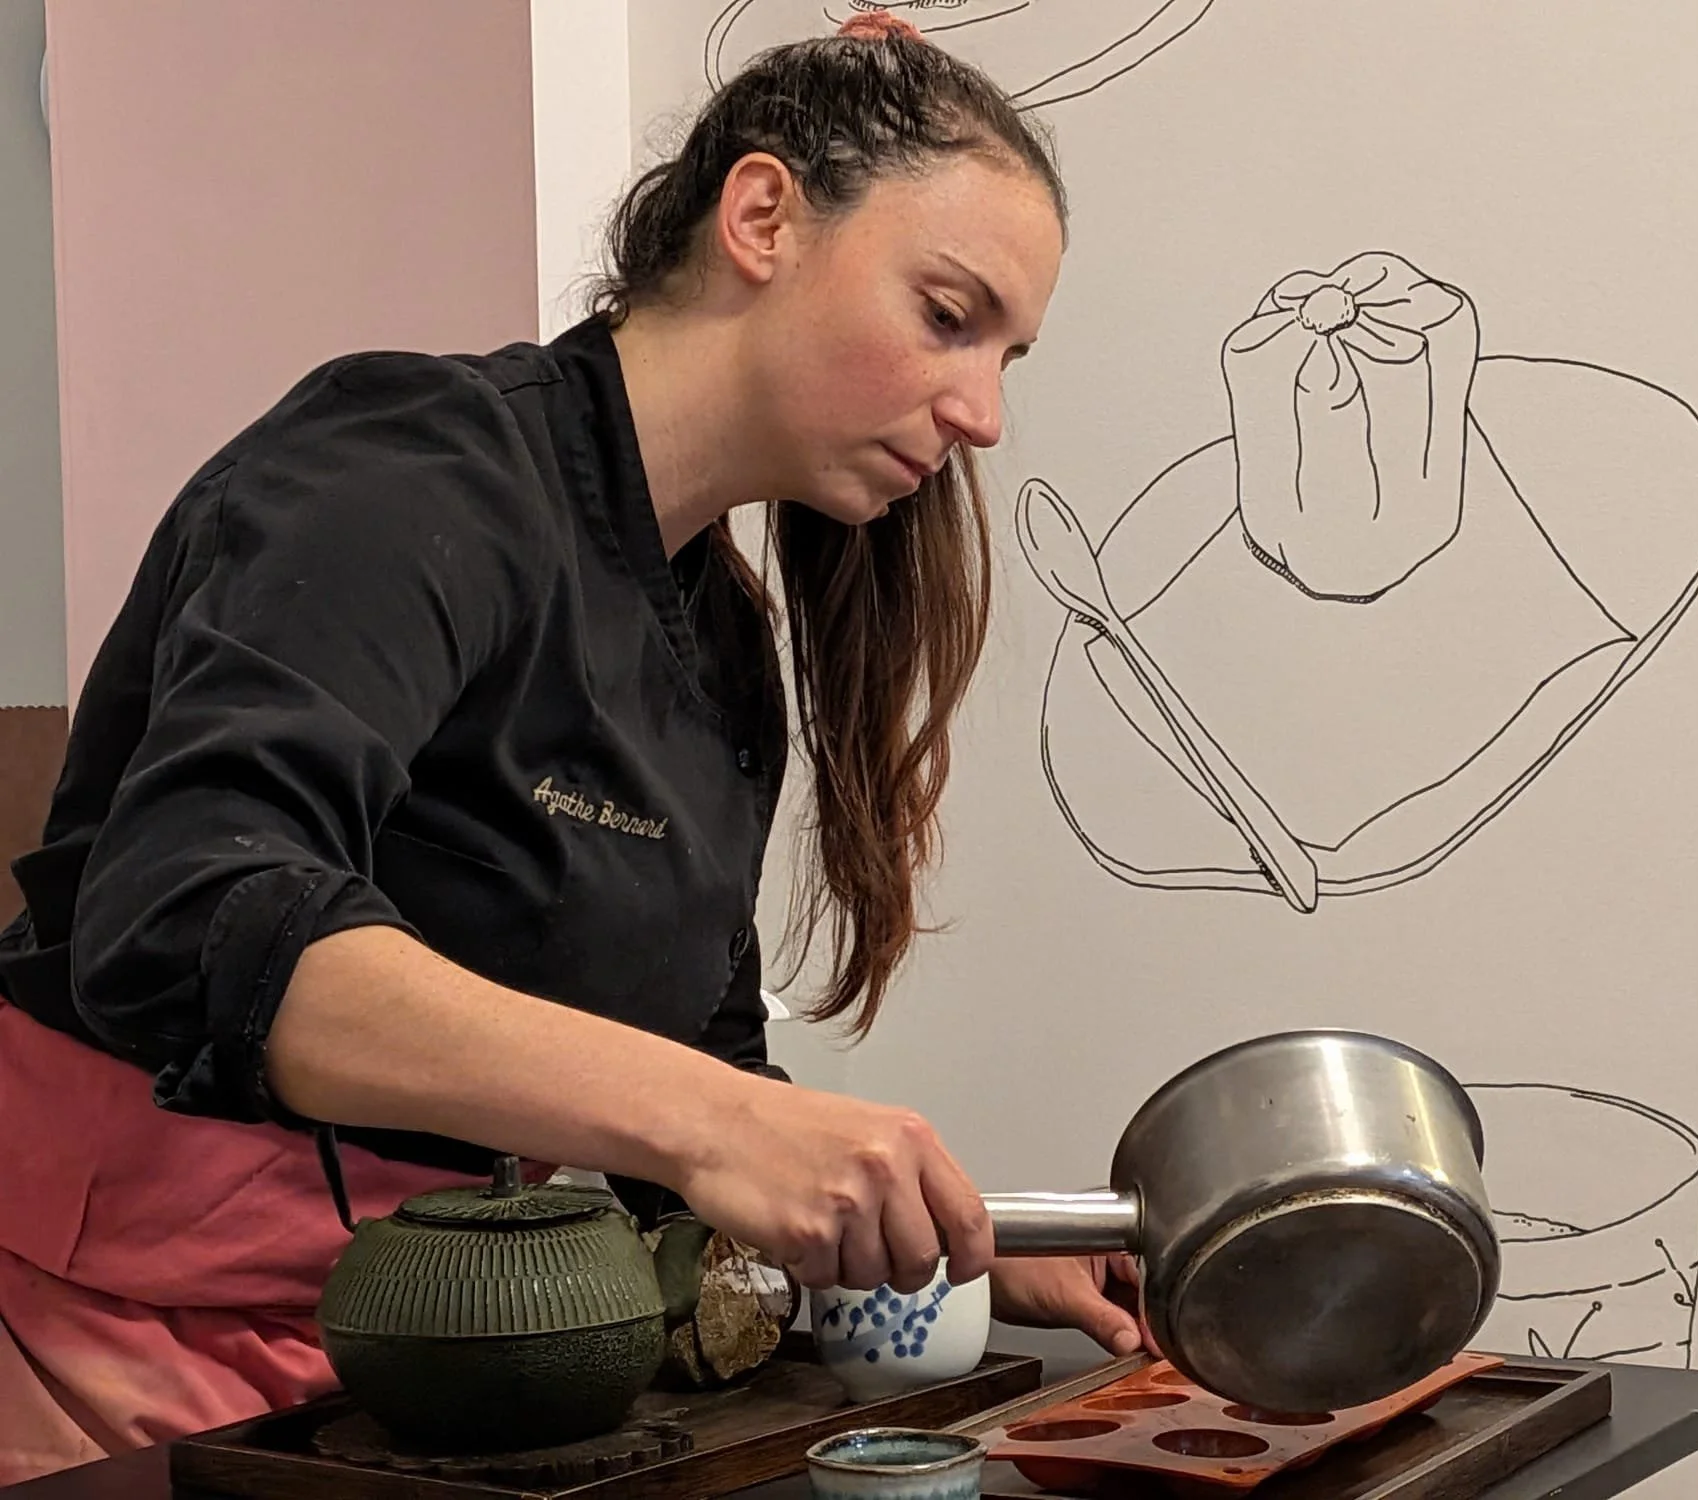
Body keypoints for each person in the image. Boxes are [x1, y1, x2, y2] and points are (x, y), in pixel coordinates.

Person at [0, 18, 1150, 1485]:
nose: (981, 413)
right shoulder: (408, 466)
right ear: (761, 217)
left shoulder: (716, 645)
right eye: (947, 314)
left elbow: (693, 1074)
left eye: (1006, 353)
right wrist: (709, 1121)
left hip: (465, 1369)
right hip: (119, 1353)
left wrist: (967, 1235)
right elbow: (191, 908)